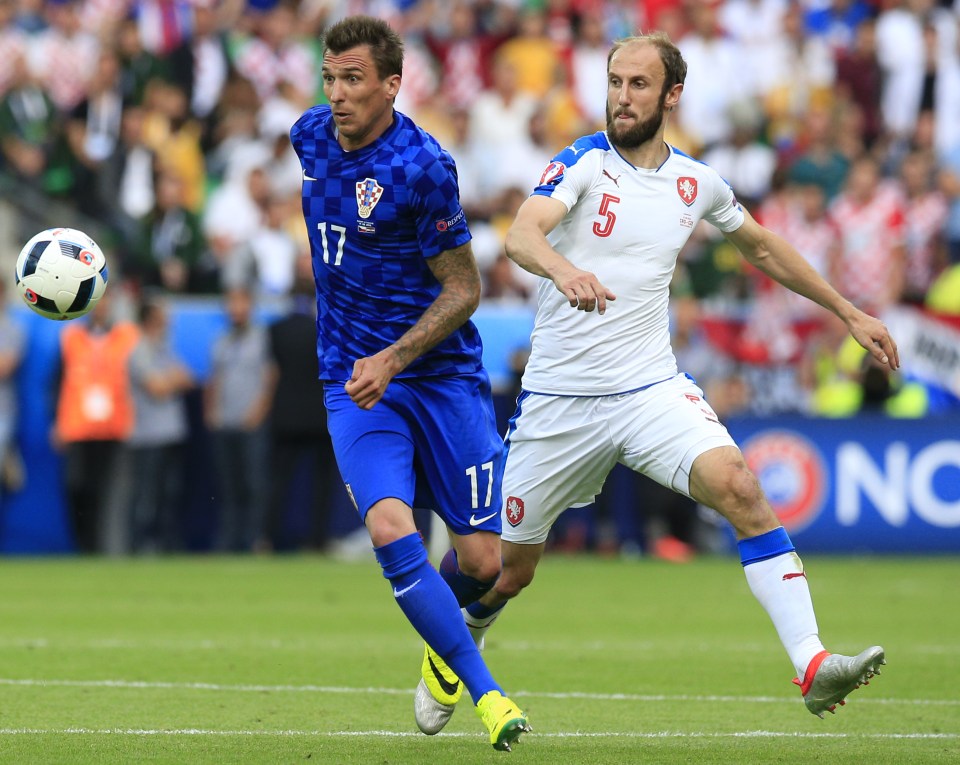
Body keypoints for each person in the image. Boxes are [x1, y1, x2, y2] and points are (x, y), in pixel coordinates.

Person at [429, 31, 894, 732]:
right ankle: (451, 649)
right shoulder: (582, 162)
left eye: (638, 84)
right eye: (615, 82)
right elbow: (523, 233)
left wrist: (849, 310)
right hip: (561, 403)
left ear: (671, 95)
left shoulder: (695, 181)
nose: (621, 96)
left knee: (739, 484)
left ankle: (811, 662)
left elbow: (761, 246)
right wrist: (564, 269)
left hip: (651, 389)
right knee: (504, 569)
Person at [288, 15, 529, 751]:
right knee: (391, 526)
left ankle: (443, 643)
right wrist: (369, 359)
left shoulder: (423, 167)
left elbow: (464, 289)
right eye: (330, 77)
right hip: (352, 381)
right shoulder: (306, 137)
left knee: (489, 563)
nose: (337, 94)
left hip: (440, 375)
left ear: (393, 84)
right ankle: (488, 692)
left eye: (353, 79)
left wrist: (394, 354)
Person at [126, 295, 195, 553]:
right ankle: (140, 544)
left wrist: (170, 381)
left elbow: (187, 379)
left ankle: (165, 544)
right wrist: (171, 380)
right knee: (146, 494)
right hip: (147, 435)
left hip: (171, 432)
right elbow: (157, 388)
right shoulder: (140, 350)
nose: (166, 324)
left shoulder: (165, 348)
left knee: (170, 493)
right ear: (149, 321)